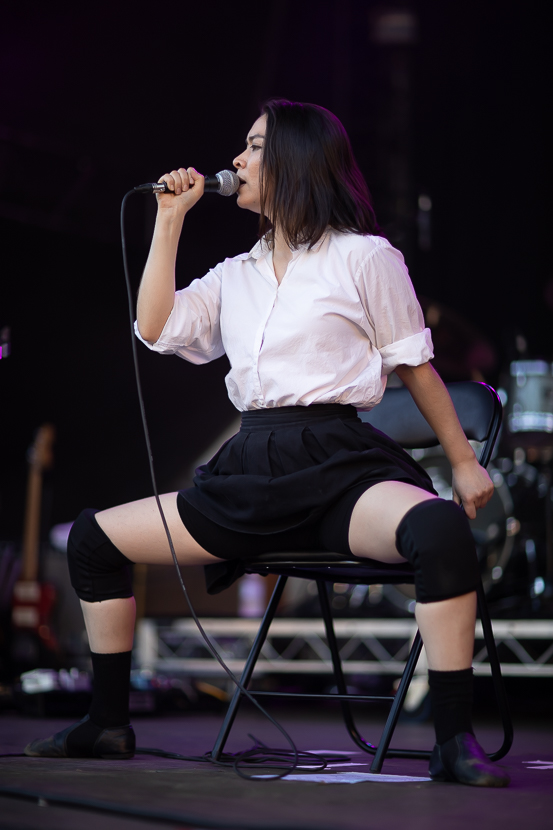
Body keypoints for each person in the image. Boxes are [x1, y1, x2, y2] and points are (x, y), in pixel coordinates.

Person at [25, 99, 509, 787]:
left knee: (438, 531)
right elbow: (155, 329)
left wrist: (462, 461)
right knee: (92, 540)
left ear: (297, 161)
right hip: (250, 472)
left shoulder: (364, 257)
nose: (238, 159)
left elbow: (416, 367)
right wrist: (169, 221)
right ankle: (106, 722)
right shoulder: (235, 275)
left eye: (255, 146)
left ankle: (452, 740)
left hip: (340, 466)